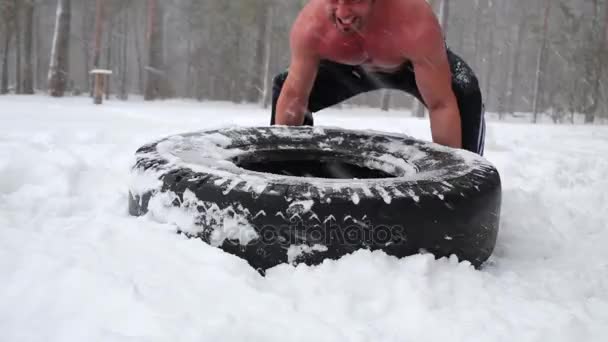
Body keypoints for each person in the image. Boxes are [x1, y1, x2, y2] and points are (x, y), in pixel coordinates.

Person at [270, 0, 486, 155]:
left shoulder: (414, 19)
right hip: (348, 69)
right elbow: (294, 96)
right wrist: (279, 166)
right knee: (286, 87)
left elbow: (440, 105)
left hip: (407, 67)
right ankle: (296, 170)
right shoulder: (311, 25)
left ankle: (474, 192)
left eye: (354, 1)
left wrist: (454, 177)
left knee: (462, 90)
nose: (343, 13)